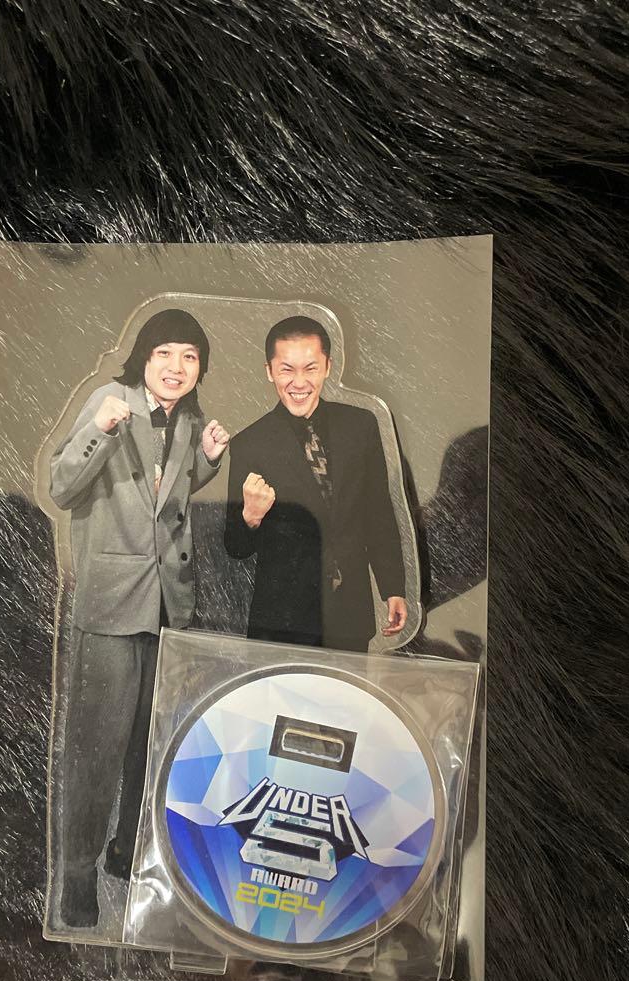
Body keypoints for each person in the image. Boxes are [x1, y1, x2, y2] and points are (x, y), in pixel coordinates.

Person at [45, 308, 229, 929]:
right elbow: (62, 488)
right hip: (110, 604)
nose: (177, 367)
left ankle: (127, 853)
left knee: (151, 746)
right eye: (165, 353)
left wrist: (207, 461)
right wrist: (99, 430)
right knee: (96, 750)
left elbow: (164, 502)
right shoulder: (110, 399)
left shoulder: (190, 419)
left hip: (168, 605)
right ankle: (77, 876)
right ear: (144, 358)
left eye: (190, 357)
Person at [224, 316, 407, 654]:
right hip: (282, 620)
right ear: (269, 371)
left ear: (328, 367)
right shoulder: (250, 444)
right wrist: (250, 515)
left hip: (349, 612)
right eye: (286, 370)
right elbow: (235, 546)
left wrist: (393, 587)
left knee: (345, 691)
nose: (299, 382)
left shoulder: (360, 426)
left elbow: (378, 512)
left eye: (310, 368)